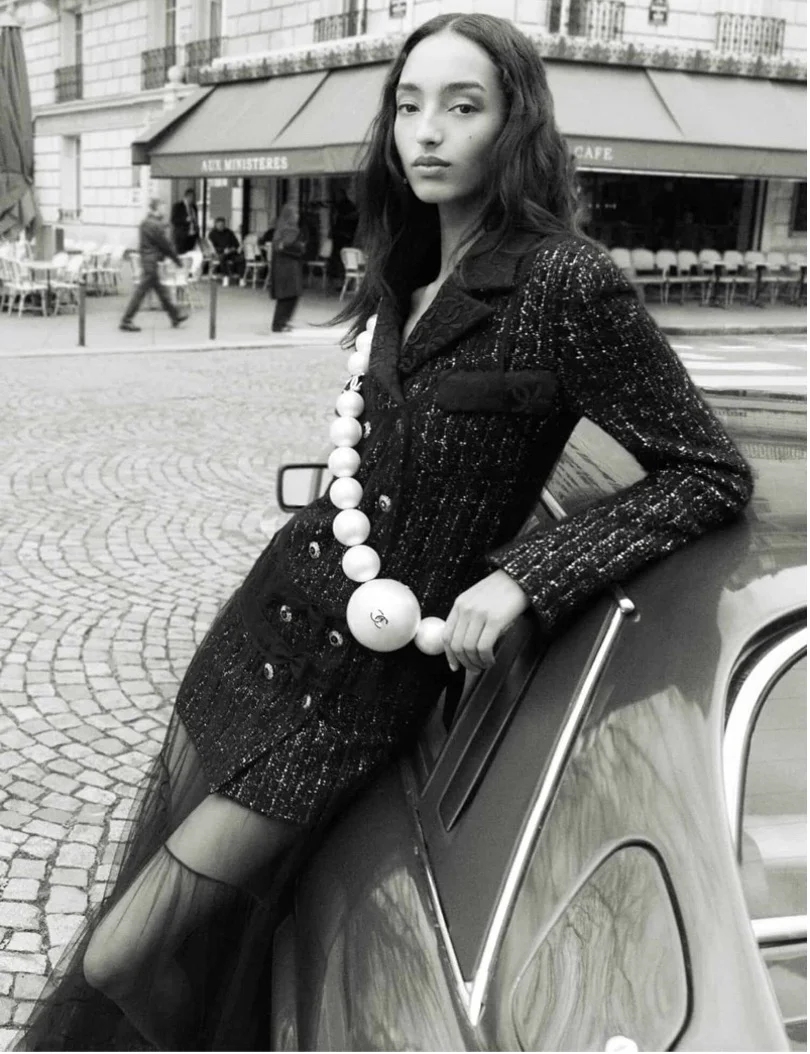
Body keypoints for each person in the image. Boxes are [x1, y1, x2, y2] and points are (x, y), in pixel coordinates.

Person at [17, 13, 753, 1052]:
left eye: (463, 106)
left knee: (122, 952)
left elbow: (707, 469)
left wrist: (524, 579)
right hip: (265, 633)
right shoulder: (404, 268)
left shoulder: (566, 284)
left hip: (355, 692)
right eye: (409, 106)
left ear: (516, 124)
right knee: (195, 927)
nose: (428, 132)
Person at [119, 198, 189, 332]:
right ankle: (126, 320)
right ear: (156, 209)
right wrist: (177, 260)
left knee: (161, 291)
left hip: (147, 260)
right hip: (151, 261)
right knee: (141, 292)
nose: (165, 211)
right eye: (162, 208)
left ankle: (175, 315)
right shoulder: (155, 225)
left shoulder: (145, 223)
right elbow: (165, 245)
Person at [269, 203, 306, 331]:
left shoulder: (280, 229)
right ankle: (279, 324)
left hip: (285, 267)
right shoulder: (290, 230)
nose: (297, 216)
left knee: (289, 295)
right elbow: (284, 247)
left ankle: (283, 321)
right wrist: (300, 247)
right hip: (287, 269)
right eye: (295, 213)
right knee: (288, 296)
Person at [328, 186, 359, 285]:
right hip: (340, 237)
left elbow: (354, 216)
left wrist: (342, 218)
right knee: (339, 260)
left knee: (344, 260)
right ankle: (341, 281)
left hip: (345, 237)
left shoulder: (347, 206)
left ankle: (346, 282)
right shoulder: (338, 206)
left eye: (337, 195)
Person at [207, 217, 243, 281]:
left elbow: (236, 244)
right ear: (216, 225)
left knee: (241, 258)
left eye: (223, 225)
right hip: (219, 253)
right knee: (222, 257)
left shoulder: (229, 232)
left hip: (231, 252)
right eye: (219, 225)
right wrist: (223, 250)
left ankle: (241, 278)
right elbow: (211, 247)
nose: (221, 226)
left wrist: (232, 249)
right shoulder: (212, 234)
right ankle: (226, 276)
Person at [170, 188, 200, 254]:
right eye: (192, 197)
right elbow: (173, 220)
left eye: (194, 198)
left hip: (192, 237)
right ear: (187, 196)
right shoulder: (177, 206)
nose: (193, 199)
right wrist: (185, 220)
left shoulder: (194, 207)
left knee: (191, 256)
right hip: (181, 237)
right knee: (182, 256)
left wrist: (197, 232)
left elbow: (196, 220)